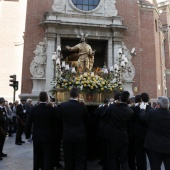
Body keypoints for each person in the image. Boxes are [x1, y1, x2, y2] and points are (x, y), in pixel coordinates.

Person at [25, 91, 60, 170]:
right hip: (49, 137)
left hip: (37, 136)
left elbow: (28, 123)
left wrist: (28, 135)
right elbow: (58, 119)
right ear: (47, 98)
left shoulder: (34, 109)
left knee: (37, 155)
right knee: (48, 156)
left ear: (39, 98)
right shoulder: (51, 109)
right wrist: (54, 106)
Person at [59, 87, 90, 170]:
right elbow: (87, 121)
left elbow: (60, 120)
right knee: (80, 158)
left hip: (67, 135)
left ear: (70, 95)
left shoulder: (63, 106)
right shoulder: (82, 106)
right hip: (80, 135)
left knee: (68, 158)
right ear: (78, 95)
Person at [103, 91, 134, 170]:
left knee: (112, 159)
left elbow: (104, 117)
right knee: (124, 160)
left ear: (119, 98)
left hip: (112, 136)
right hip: (123, 137)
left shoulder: (112, 107)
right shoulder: (130, 111)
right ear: (127, 100)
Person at [139, 96, 170, 170]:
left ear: (158, 105)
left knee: (155, 167)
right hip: (168, 146)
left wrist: (142, 109)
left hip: (154, 146)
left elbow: (143, 118)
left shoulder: (153, 113)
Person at [134, 92, 153, 170]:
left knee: (139, 154)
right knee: (150, 155)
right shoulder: (151, 109)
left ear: (141, 99)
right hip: (148, 135)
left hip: (138, 135)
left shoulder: (136, 109)